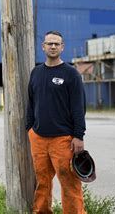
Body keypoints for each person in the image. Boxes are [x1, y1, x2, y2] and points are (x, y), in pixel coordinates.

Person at [26, 30, 87, 214]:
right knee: (42, 181)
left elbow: (78, 107)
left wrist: (78, 135)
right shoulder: (36, 72)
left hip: (63, 139)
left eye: (56, 44)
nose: (53, 46)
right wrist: (30, 129)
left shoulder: (71, 74)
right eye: (49, 43)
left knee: (69, 183)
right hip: (38, 138)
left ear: (62, 47)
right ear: (43, 46)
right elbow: (31, 102)